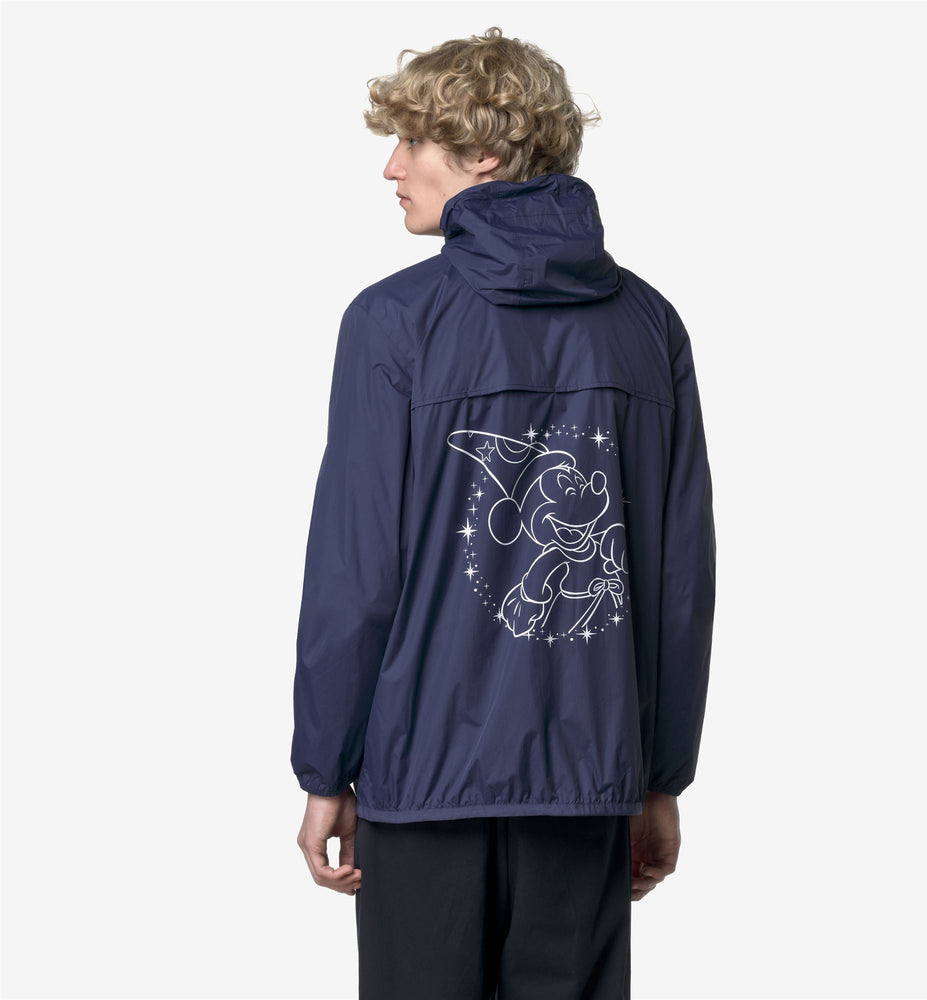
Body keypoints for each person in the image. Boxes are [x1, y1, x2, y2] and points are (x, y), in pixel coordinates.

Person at [290, 25, 716, 1000]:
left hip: (421, 778)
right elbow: (677, 582)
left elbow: (356, 573)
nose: (391, 167)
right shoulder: (647, 325)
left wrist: (325, 767)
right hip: (588, 778)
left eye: (412, 142)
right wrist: (658, 777)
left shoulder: (393, 322)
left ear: (482, 153)